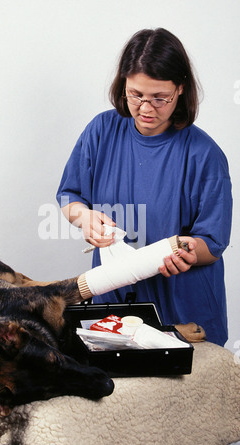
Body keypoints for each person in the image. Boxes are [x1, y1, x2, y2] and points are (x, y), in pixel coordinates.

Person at [56, 28, 233, 346]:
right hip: (115, 300)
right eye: (136, 94)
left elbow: (213, 243)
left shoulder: (205, 155)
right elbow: (71, 195)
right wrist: (85, 219)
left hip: (184, 309)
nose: (146, 109)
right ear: (123, 84)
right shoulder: (102, 131)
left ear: (180, 89)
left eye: (159, 98)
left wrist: (191, 252)